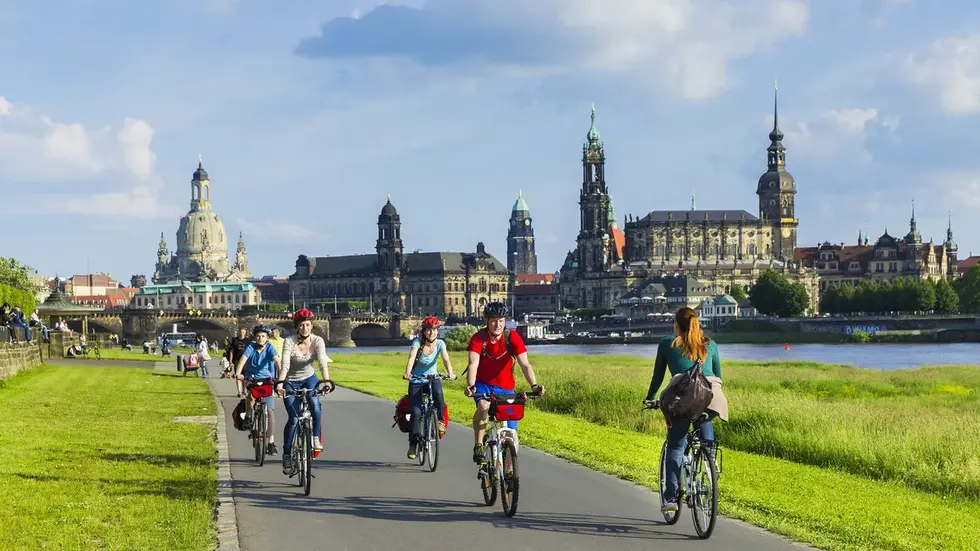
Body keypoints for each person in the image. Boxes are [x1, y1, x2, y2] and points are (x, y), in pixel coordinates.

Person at [643, 306, 729, 514]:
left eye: (674, 322)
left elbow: (657, 377)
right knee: (705, 425)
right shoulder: (710, 344)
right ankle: (709, 461)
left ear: (677, 325)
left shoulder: (667, 343)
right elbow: (718, 375)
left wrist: (650, 398)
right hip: (711, 397)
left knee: (675, 445)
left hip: (683, 399)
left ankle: (671, 497)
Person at [463, 301, 544, 467]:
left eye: (501, 320)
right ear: (486, 320)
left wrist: (534, 385)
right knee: (483, 407)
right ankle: (478, 444)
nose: (497, 325)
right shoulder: (479, 338)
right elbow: (473, 364)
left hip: (505, 387)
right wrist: (471, 386)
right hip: (483, 384)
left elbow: (525, 364)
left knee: (512, 433)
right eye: (493, 321)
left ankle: (509, 471)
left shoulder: (512, 337)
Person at [275, 309, 331, 475]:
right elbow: (285, 364)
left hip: (309, 378)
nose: (304, 328)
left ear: (311, 325)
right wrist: (280, 383)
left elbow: (322, 362)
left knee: (315, 405)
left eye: (307, 325)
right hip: (291, 380)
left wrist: (326, 380)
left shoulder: (318, 340)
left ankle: (315, 437)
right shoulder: (289, 341)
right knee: (293, 419)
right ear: (297, 327)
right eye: (301, 325)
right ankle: (287, 455)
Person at [403, 315, 456, 460]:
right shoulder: (417, 343)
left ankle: (440, 421)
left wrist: (450, 373)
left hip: (432, 377)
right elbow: (411, 358)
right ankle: (413, 443)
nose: (431, 333)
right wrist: (408, 373)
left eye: (434, 330)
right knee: (416, 412)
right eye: (428, 330)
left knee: (438, 395)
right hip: (417, 380)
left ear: (437, 331)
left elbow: (445, 359)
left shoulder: (440, 344)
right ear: (424, 331)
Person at [235, 325, 282, 456]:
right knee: (250, 397)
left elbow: (277, 361)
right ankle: (248, 417)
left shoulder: (270, 348)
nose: (260, 338)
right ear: (255, 337)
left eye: (263, 336)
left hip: (267, 380)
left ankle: (271, 443)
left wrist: (282, 377)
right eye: (258, 336)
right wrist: (238, 373)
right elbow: (243, 360)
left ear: (267, 338)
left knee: (270, 412)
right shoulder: (251, 347)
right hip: (252, 378)